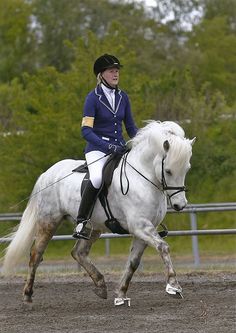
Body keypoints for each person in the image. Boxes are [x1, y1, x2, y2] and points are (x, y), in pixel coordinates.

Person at [73, 54, 138, 239]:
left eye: (117, 71)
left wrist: (144, 141)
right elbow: (86, 131)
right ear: (101, 75)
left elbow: (131, 127)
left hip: (120, 147)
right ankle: (81, 221)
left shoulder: (123, 97)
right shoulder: (92, 98)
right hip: (98, 150)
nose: (116, 74)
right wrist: (108, 146)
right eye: (111, 71)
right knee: (96, 178)